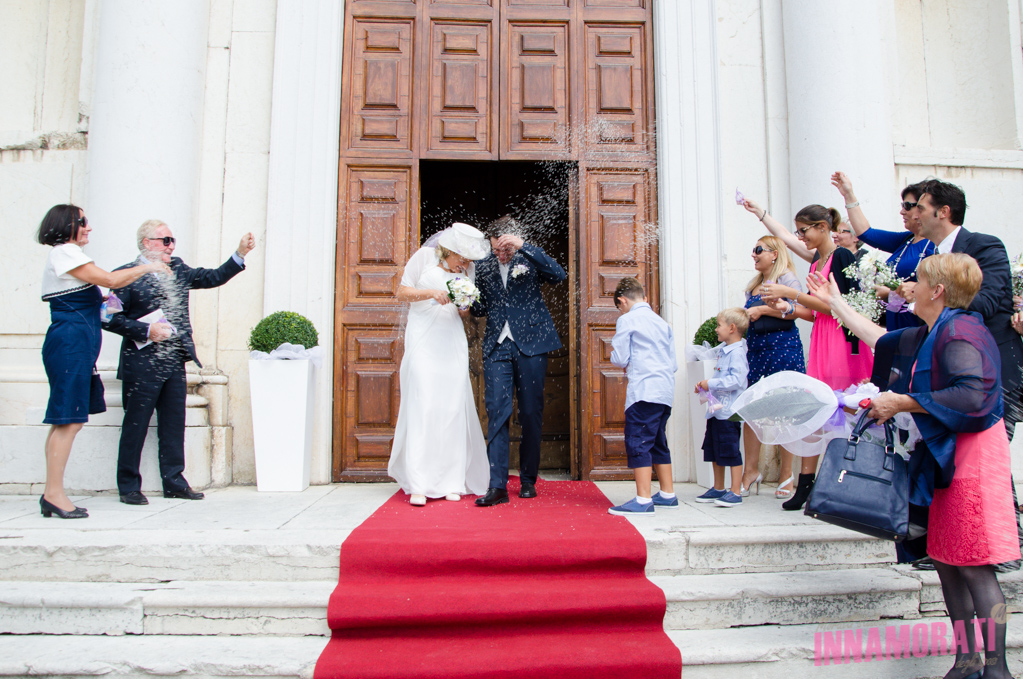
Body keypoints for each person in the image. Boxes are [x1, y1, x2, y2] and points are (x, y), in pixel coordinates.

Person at [820, 253, 1019, 679]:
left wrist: (904, 402)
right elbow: (880, 340)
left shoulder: (962, 331)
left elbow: (971, 396)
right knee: (947, 562)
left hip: (971, 462)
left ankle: (998, 669)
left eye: (919, 281)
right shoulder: (933, 330)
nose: (910, 287)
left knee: (975, 565)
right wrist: (836, 303)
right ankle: (967, 661)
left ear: (939, 290)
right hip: (943, 459)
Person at [103, 220, 254, 505]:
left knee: (174, 423)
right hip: (141, 363)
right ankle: (128, 486)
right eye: (166, 240)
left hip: (174, 361)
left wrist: (239, 254)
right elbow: (107, 317)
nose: (172, 245)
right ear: (147, 243)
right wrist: (146, 330)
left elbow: (212, 277)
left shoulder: (179, 269)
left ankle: (173, 481)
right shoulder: (124, 275)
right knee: (135, 424)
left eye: (173, 240)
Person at [36, 205, 168, 519]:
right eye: (82, 222)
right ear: (66, 225)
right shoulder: (65, 252)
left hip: (75, 344)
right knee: (69, 420)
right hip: (70, 344)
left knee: (66, 420)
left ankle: (50, 493)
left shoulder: (67, 256)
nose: (88, 228)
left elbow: (100, 298)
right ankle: (54, 494)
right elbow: (110, 278)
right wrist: (147, 268)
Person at [744, 199, 874, 510]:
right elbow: (815, 314)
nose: (800, 237)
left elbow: (838, 307)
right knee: (817, 409)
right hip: (822, 338)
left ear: (823, 228)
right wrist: (788, 308)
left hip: (843, 342)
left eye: (804, 231)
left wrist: (791, 294)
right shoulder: (816, 263)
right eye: (798, 231)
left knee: (844, 408)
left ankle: (849, 482)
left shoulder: (842, 256)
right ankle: (806, 485)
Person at [899, 179, 1023, 439]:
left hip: (993, 366)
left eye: (920, 207)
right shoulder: (930, 254)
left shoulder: (985, 245)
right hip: (951, 371)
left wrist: (930, 298)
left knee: (990, 457)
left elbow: (986, 304)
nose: (912, 213)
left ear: (942, 212)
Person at [389, 222, 491, 506]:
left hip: (451, 341)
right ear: (449, 250)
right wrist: (431, 293)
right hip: (425, 339)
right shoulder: (423, 258)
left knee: (451, 408)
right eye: (463, 257)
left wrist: (463, 305)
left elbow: (464, 314)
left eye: (469, 259)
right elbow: (401, 292)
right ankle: (419, 483)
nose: (466, 263)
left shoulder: (466, 271)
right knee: (424, 405)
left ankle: (451, 481)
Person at [470, 215, 567, 506]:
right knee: (496, 413)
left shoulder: (528, 256)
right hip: (497, 346)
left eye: (505, 249)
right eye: (495, 249)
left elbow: (558, 274)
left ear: (513, 241)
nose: (500, 254)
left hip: (532, 345)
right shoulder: (484, 265)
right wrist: (466, 299)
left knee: (530, 412)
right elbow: (481, 307)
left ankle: (527, 480)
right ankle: (497, 485)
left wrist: (524, 246)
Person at [741, 236, 806, 499]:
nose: (754, 255)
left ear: (775, 254)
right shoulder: (753, 286)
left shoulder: (787, 280)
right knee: (751, 409)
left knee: (786, 409)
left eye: (758, 250)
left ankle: (787, 473)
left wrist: (763, 312)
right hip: (757, 350)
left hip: (783, 348)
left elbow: (800, 310)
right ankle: (750, 471)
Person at [606, 278, 678, 516]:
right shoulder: (662, 322)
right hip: (664, 391)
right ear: (643, 297)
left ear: (622, 301)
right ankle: (668, 493)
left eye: (620, 306)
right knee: (658, 440)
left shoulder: (627, 319)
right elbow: (673, 363)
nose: (621, 310)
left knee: (638, 441)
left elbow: (620, 358)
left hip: (643, 390)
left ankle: (643, 498)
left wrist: (617, 357)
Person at [831, 172, 937, 330]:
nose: (902, 212)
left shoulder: (936, 246)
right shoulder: (906, 240)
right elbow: (866, 233)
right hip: (895, 327)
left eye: (908, 206)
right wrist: (849, 195)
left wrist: (890, 293)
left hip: (917, 327)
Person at [693, 308, 749, 508]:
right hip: (716, 411)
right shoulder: (725, 352)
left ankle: (735, 491)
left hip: (729, 412)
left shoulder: (738, 354)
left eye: (719, 325)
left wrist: (712, 384)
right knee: (715, 449)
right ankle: (718, 487)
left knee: (731, 450)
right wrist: (704, 385)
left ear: (732, 328)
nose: (716, 329)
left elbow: (737, 380)